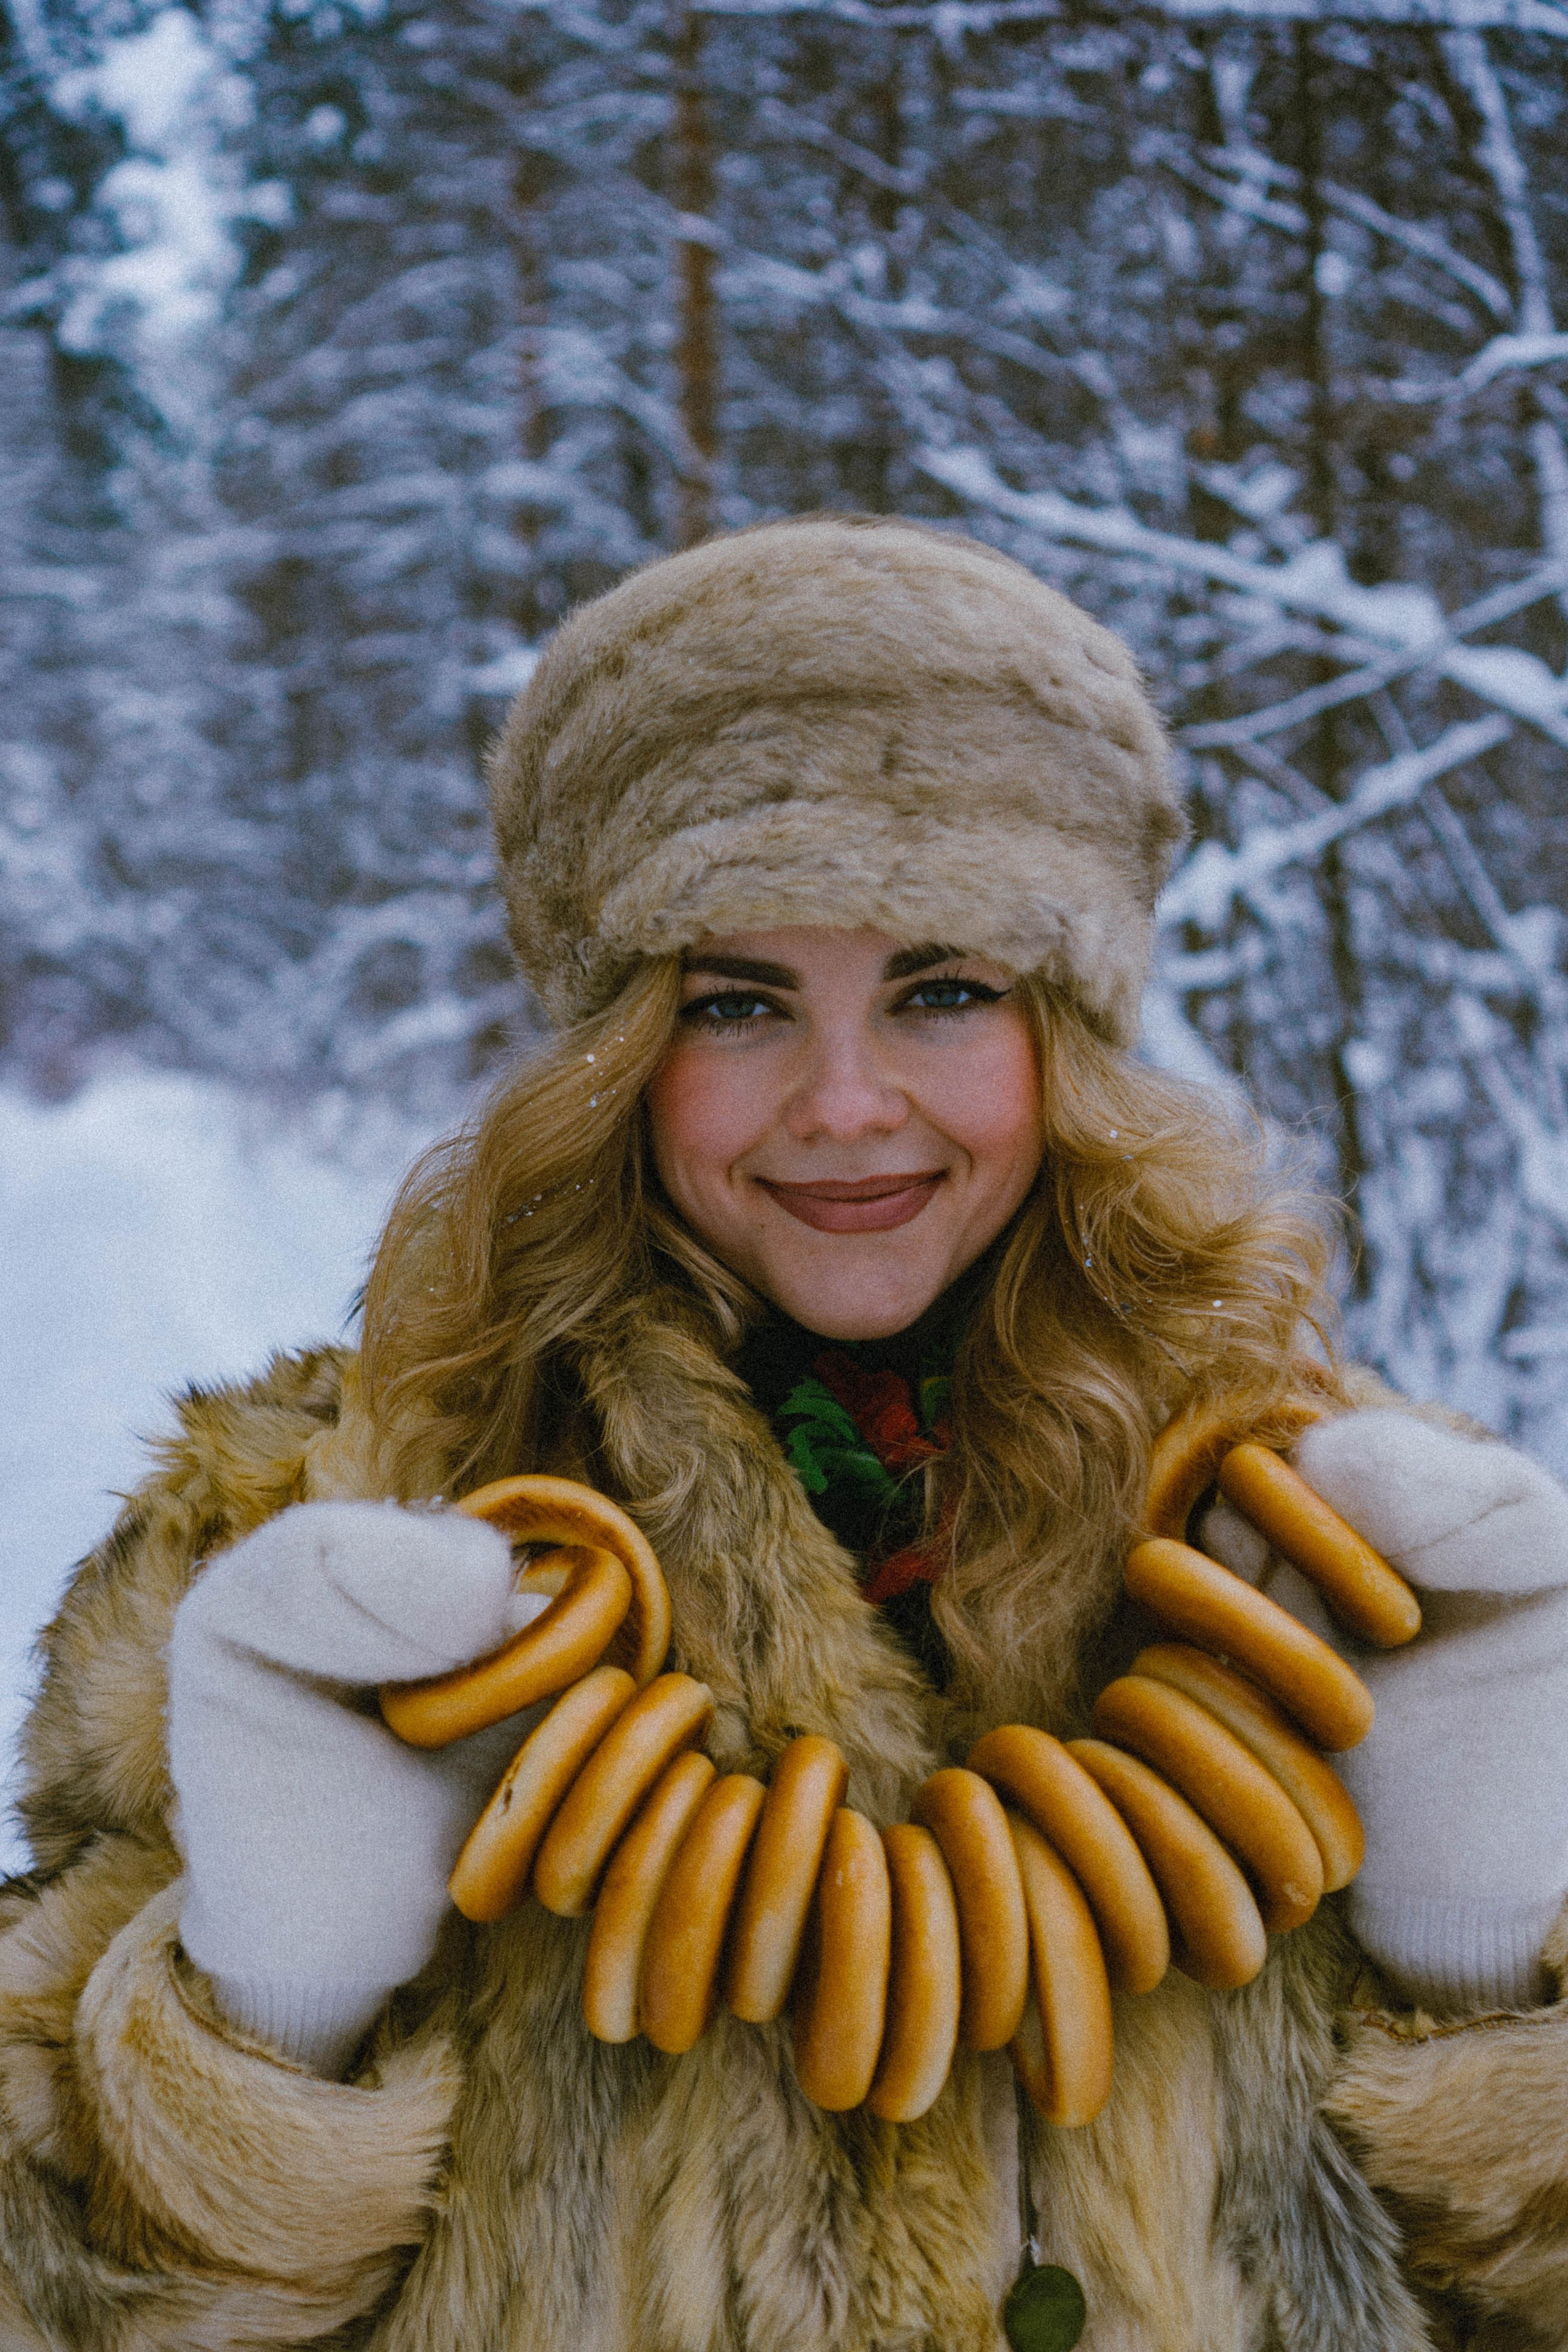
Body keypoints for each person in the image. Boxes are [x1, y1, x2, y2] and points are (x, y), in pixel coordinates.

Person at [3, 513, 1567, 2352]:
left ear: (1066, 1030)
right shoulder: (315, 1549)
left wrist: (1485, 1964)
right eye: (738, 1003)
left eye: (942, 991)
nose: (843, 1105)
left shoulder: (1344, 1557)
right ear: (616, 1053)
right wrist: (267, 2012)